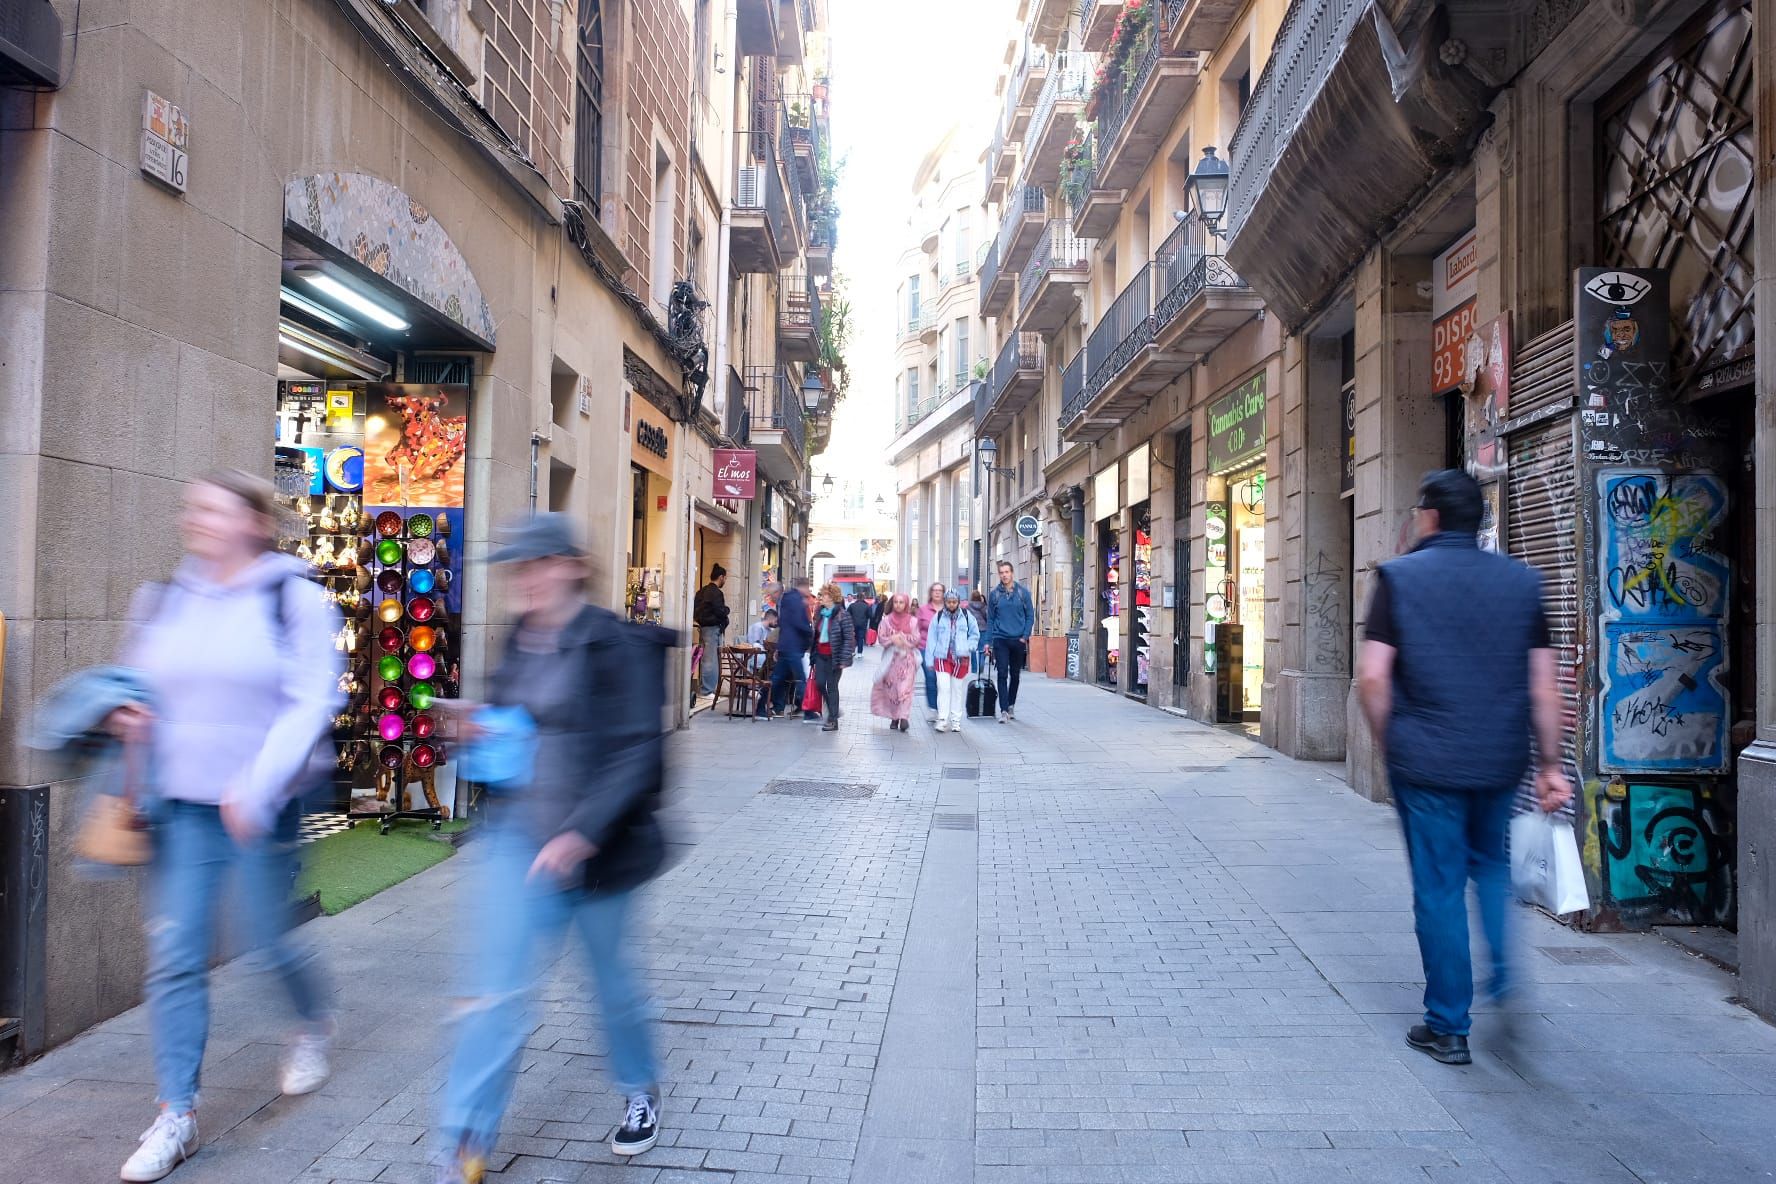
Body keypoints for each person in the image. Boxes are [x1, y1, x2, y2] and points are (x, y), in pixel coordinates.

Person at [115, 469, 343, 1183]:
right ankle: (175, 1113)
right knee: (176, 954)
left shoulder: (294, 598)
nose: (199, 520)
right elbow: (136, 681)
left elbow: (310, 702)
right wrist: (127, 714)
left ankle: (312, 1023)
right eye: (194, 509)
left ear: (253, 522)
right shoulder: (166, 598)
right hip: (181, 805)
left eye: (215, 510)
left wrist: (258, 783)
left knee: (267, 940)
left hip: (260, 808)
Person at [436, 513, 672, 1182]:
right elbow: (518, 728)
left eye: (540, 564)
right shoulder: (519, 639)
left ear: (572, 565)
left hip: (599, 851)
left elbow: (636, 751)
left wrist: (581, 832)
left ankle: (639, 1088)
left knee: (611, 986)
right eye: (519, 568)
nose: (528, 579)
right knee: (495, 991)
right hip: (519, 841)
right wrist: (477, 729)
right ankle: (465, 1140)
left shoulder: (612, 643)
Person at [1355, 469, 1572, 1067]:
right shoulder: (1521, 582)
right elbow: (1544, 688)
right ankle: (1505, 980)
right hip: (1499, 760)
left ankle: (1449, 1026)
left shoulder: (1399, 579)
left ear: (1429, 517)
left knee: (1440, 887)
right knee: (1493, 873)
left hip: (1425, 761)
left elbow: (1372, 678)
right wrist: (1550, 764)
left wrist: (1389, 740)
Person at [924, 587, 980, 734]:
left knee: (957, 689)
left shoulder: (967, 616)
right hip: (942, 658)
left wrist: (970, 646)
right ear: (945, 602)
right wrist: (929, 660)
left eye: (954, 601)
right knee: (943, 688)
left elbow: (974, 633)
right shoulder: (938, 617)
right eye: (949, 601)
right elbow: (931, 639)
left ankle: (955, 721)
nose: (951, 604)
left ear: (959, 602)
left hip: (961, 659)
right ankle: (942, 720)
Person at [986, 559, 1035, 723]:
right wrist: (988, 642)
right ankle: (1004, 710)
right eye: (1001, 573)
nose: (1004, 575)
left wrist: (1025, 636)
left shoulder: (1023, 593)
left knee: (1015, 675)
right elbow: (991, 619)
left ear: (1012, 573)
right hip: (1001, 639)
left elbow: (1030, 616)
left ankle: (1011, 704)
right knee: (1001, 673)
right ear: (999, 575)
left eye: (1007, 572)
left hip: (1018, 640)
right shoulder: (995, 595)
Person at [870, 593, 921, 732]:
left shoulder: (913, 621)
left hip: (907, 660)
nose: (898, 605)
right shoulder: (886, 621)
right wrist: (892, 639)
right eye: (896, 602)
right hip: (891, 661)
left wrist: (903, 638)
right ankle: (894, 717)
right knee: (893, 690)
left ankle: (904, 717)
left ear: (906, 604)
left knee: (905, 689)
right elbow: (881, 638)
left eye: (901, 602)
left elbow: (916, 639)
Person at [764, 577, 813, 720]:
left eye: (771, 594)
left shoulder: (789, 600)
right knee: (789, 678)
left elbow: (791, 624)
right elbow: (795, 624)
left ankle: (780, 708)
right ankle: (799, 710)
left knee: (783, 678)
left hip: (789, 645)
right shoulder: (793, 600)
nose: (771, 597)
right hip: (791, 646)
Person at [812, 583, 857, 732]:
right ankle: (833, 710)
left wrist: (844, 659)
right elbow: (816, 635)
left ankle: (832, 719)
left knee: (832, 687)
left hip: (834, 656)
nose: (821, 598)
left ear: (831, 597)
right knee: (819, 684)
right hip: (820, 654)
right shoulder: (820, 613)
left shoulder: (842, 615)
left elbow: (849, 638)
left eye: (823, 595)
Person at [692, 563, 730, 697]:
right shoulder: (716, 593)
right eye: (725, 578)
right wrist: (727, 610)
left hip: (703, 628)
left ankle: (706, 688)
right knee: (711, 660)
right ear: (721, 577)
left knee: (706, 659)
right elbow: (720, 611)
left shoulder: (701, 591)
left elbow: (695, 610)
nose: (725, 581)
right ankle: (707, 690)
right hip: (712, 629)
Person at [916, 582, 945, 718]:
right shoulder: (923, 610)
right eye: (935, 590)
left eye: (940, 590)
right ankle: (934, 708)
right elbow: (916, 629)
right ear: (931, 593)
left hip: (944, 650)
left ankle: (943, 706)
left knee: (943, 679)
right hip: (925, 648)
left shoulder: (948, 609)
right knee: (931, 677)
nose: (937, 593)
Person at [847, 584, 875, 650]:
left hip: (853, 623)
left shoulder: (852, 605)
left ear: (856, 597)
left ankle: (853, 651)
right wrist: (865, 618)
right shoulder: (867, 606)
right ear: (863, 598)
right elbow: (870, 616)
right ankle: (860, 653)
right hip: (863, 624)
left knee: (854, 637)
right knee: (861, 638)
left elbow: (847, 614)